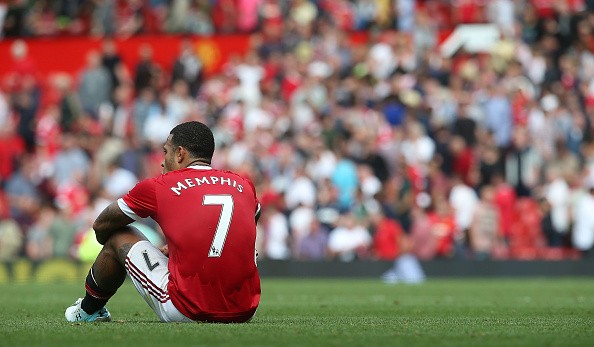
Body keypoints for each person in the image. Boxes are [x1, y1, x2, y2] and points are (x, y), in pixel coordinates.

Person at [65, 121, 261, 323]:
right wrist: (185, 248)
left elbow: (101, 226)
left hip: (187, 309)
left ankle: (88, 310)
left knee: (118, 235)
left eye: (166, 152)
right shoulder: (242, 184)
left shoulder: (159, 186)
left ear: (180, 154)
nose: (162, 161)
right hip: (245, 310)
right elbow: (251, 217)